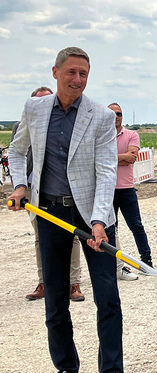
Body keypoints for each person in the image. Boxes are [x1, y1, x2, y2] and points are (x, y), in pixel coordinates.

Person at [7, 47, 122, 373]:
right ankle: (66, 369)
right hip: (50, 215)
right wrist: (19, 187)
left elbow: (106, 171)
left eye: (83, 74)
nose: (77, 80)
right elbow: (17, 151)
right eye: (71, 72)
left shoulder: (100, 116)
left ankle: (112, 372)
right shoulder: (35, 108)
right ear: (55, 72)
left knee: (108, 299)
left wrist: (100, 220)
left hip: (92, 218)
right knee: (55, 300)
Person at [11, 86, 85, 301]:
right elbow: (19, 154)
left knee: (72, 237)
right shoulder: (22, 125)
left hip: (62, 191)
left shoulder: (65, 123)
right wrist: (20, 186)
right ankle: (44, 281)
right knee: (40, 238)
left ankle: (74, 283)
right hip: (35, 191)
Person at [109, 102, 153, 281]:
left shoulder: (131, 135)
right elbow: (97, 159)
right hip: (107, 190)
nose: (116, 117)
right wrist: (120, 157)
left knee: (137, 226)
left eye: (118, 114)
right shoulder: (101, 136)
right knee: (111, 230)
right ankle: (114, 265)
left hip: (126, 189)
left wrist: (108, 158)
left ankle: (146, 261)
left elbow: (131, 158)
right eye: (112, 114)